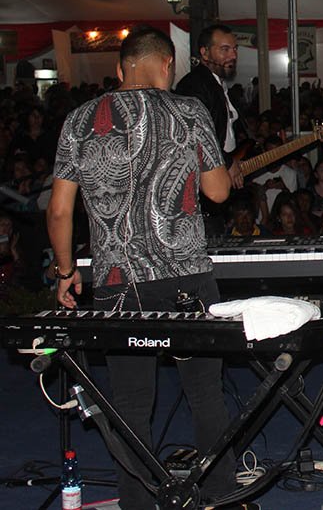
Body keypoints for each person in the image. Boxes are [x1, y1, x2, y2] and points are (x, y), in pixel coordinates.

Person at [47, 26, 240, 510]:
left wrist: (67, 269)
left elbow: (59, 211)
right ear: (168, 65)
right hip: (187, 275)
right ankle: (222, 495)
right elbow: (218, 193)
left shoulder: (79, 120)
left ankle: (136, 501)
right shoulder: (190, 111)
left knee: (130, 402)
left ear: (120, 69)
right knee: (205, 392)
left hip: (118, 280)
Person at [174, 23, 244, 238]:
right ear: (204, 52)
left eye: (234, 49)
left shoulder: (217, 83)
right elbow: (196, 135)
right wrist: (227, 162)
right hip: (204, 190)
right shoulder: (196, 85)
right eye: (224, 49)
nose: (232, 55)